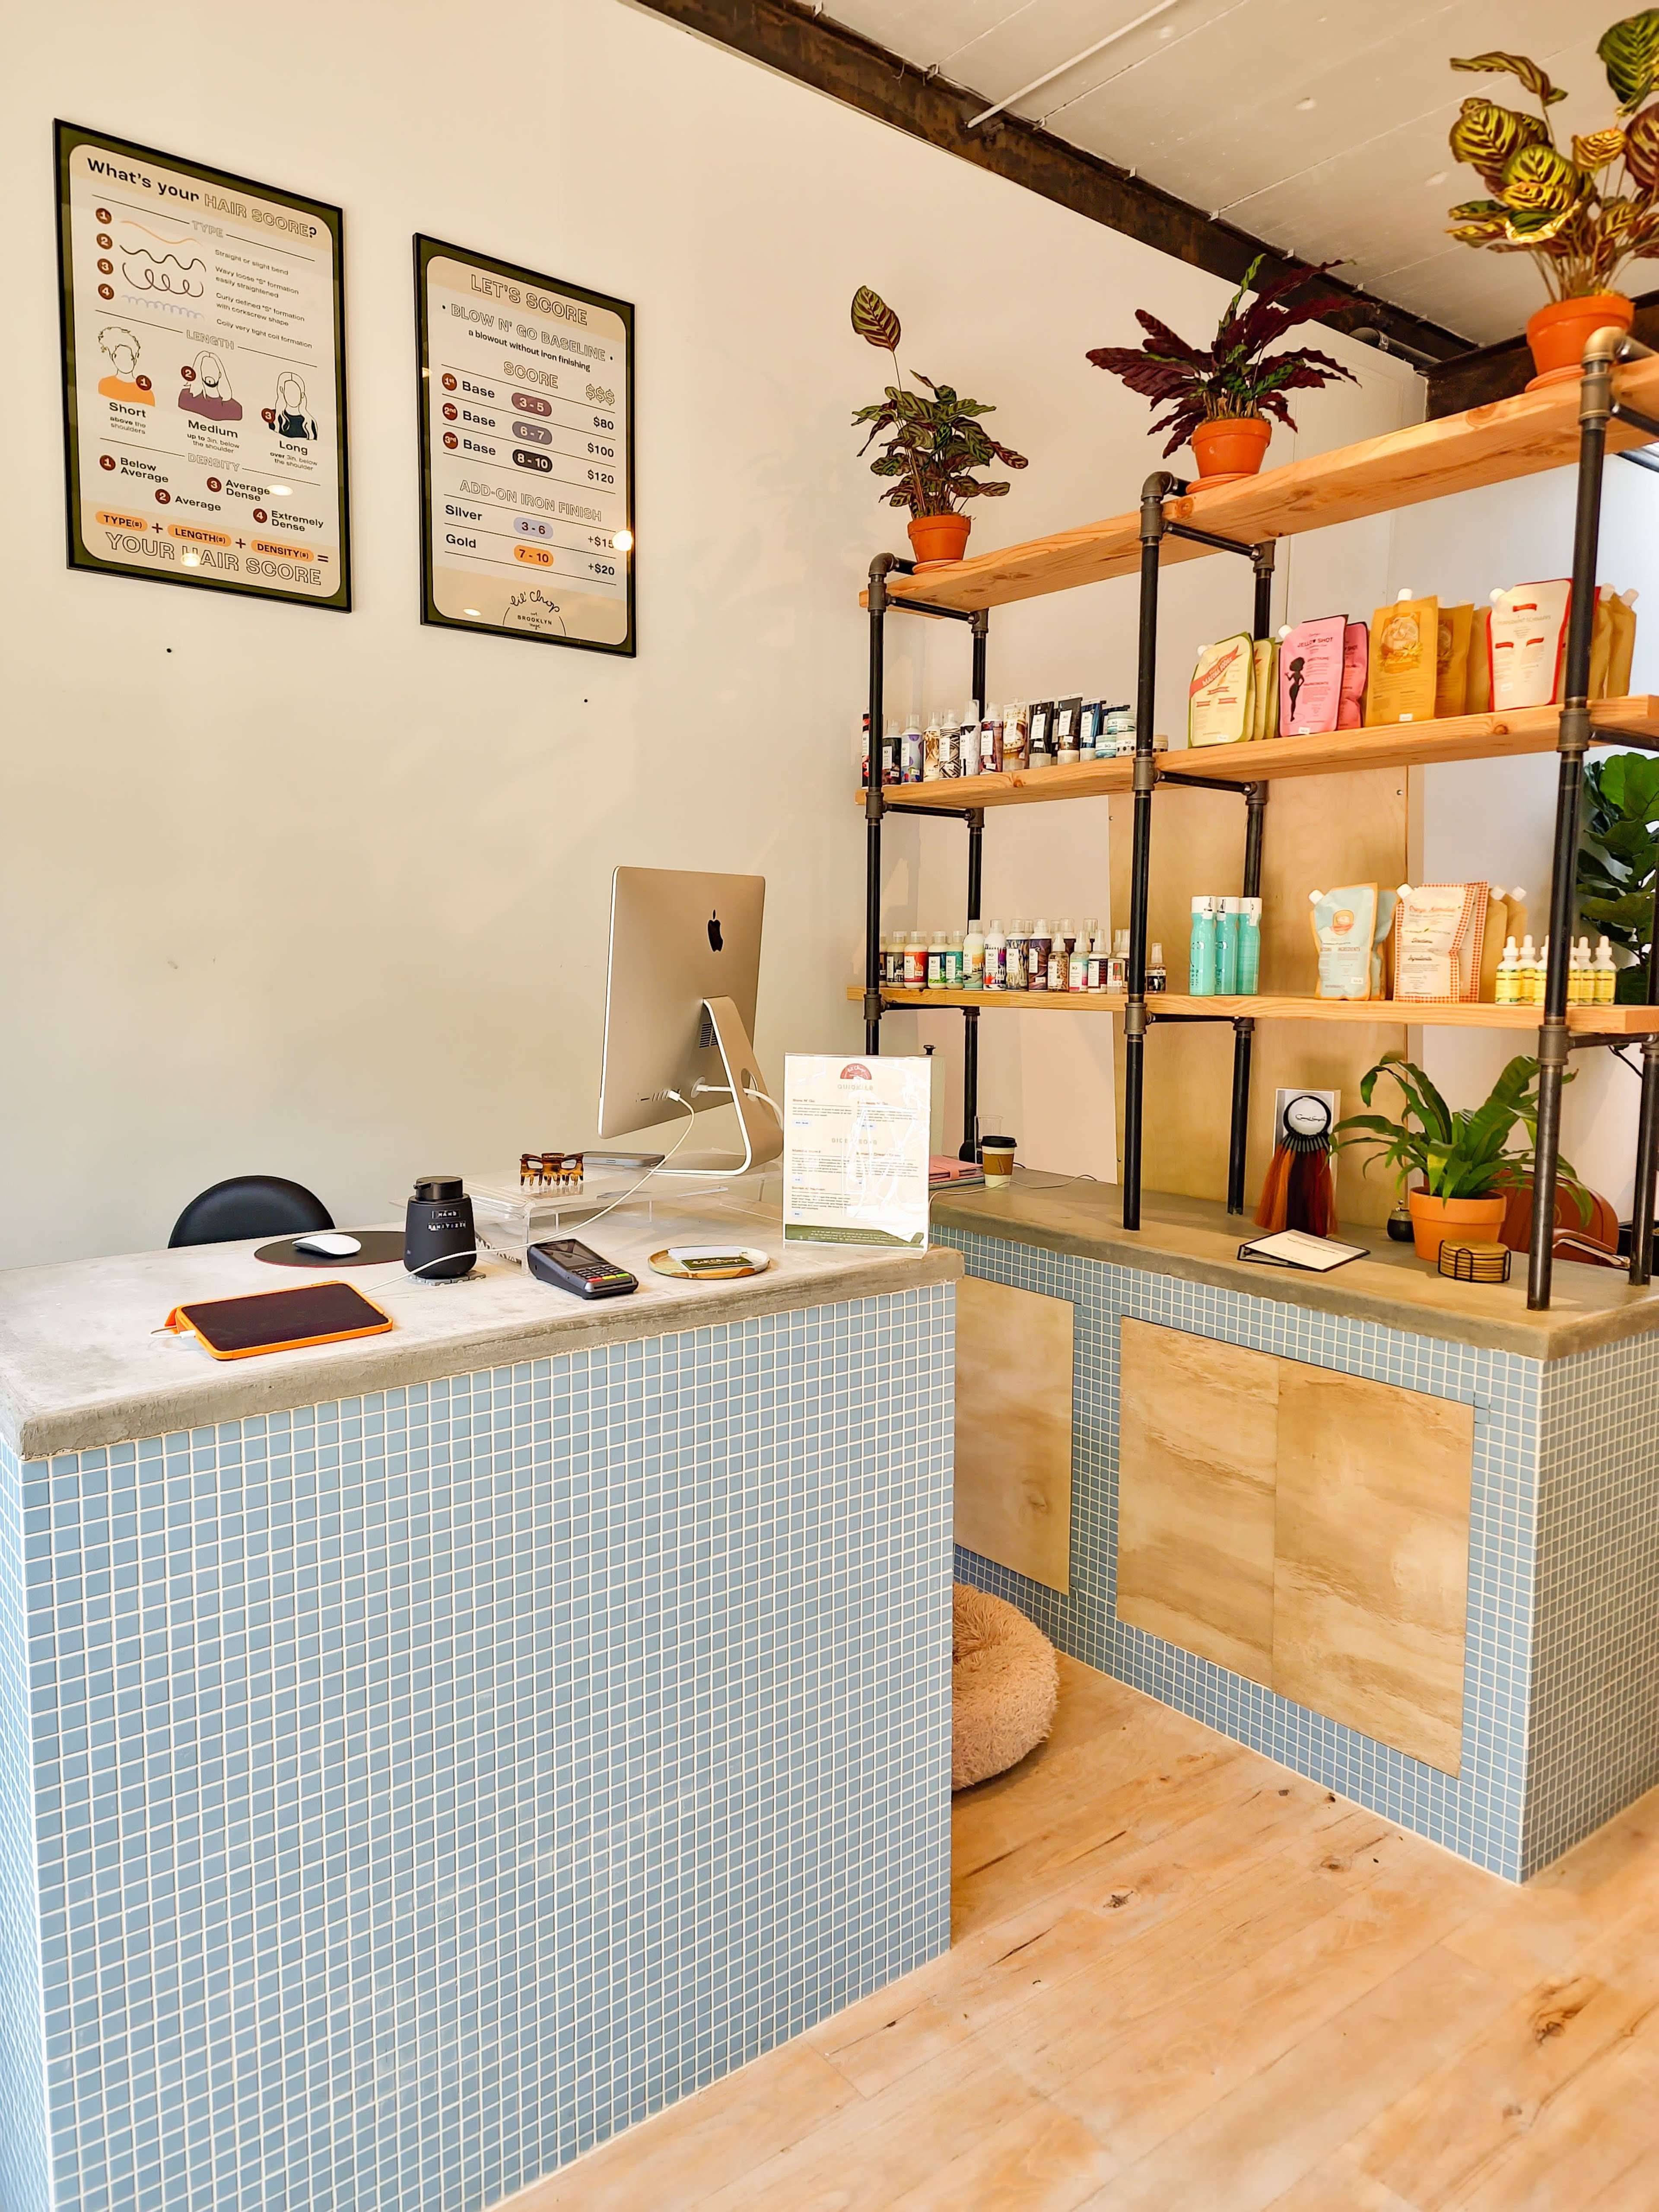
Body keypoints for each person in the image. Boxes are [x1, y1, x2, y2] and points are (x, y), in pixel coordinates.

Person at [179, 350, 242, 423]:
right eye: (205, 369)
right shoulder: (186, 397)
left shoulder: (234, 408)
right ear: (200, 372)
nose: (209, 374)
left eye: (213, 370)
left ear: (220, 374)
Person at [96, 327, 153, 405]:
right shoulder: (105, 384)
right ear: (113, 357)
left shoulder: (147, 393)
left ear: (135, 358)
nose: (125, 361)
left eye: (129, 356)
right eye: (120, 356)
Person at [271, 372, 316, 441]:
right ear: (282, 391)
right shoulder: (275, 417)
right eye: (289, 391)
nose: (293, 396)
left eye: (296, 392)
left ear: (302, 394)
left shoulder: (309, 423)